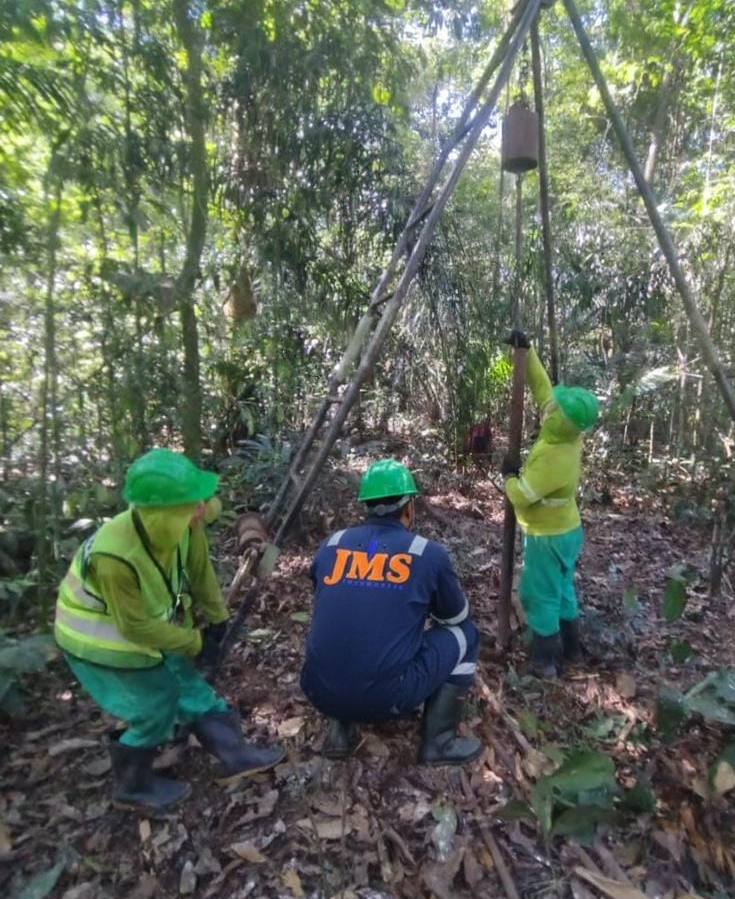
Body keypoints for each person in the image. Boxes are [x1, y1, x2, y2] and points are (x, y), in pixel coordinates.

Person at [54, 448, 284, 813]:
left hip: (149, 631)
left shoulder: (185, 527)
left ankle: (234, 755)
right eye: (190, 505)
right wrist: (193, 641)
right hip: (97, 640)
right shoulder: (114, 556)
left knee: (188, 682)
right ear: (159, 513)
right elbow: (134, 626)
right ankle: (132, 786)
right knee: (154, 703)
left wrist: (217, 619)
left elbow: (200, 574)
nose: (200, 511)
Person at [300, 458, 481, 765]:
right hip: (387, 697)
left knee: (346, 628)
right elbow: (455, 618)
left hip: (317, 690)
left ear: (366, 506)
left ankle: (339, 726)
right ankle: (439, 742)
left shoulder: (332, 543)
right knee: (467, 635)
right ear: (408, 507)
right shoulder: (427, 553)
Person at [502, 330, 599, 678]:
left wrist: (509, 477)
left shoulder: (556, 456)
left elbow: (521, 496)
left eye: (554, 409)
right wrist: (526, 352)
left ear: (560, 419)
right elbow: (543, 388)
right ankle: (572, 651)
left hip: (547, 536)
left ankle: (544, 662)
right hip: (567, 530)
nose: (549, 405)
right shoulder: (566, 431)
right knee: (562, 591)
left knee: (538, 594)